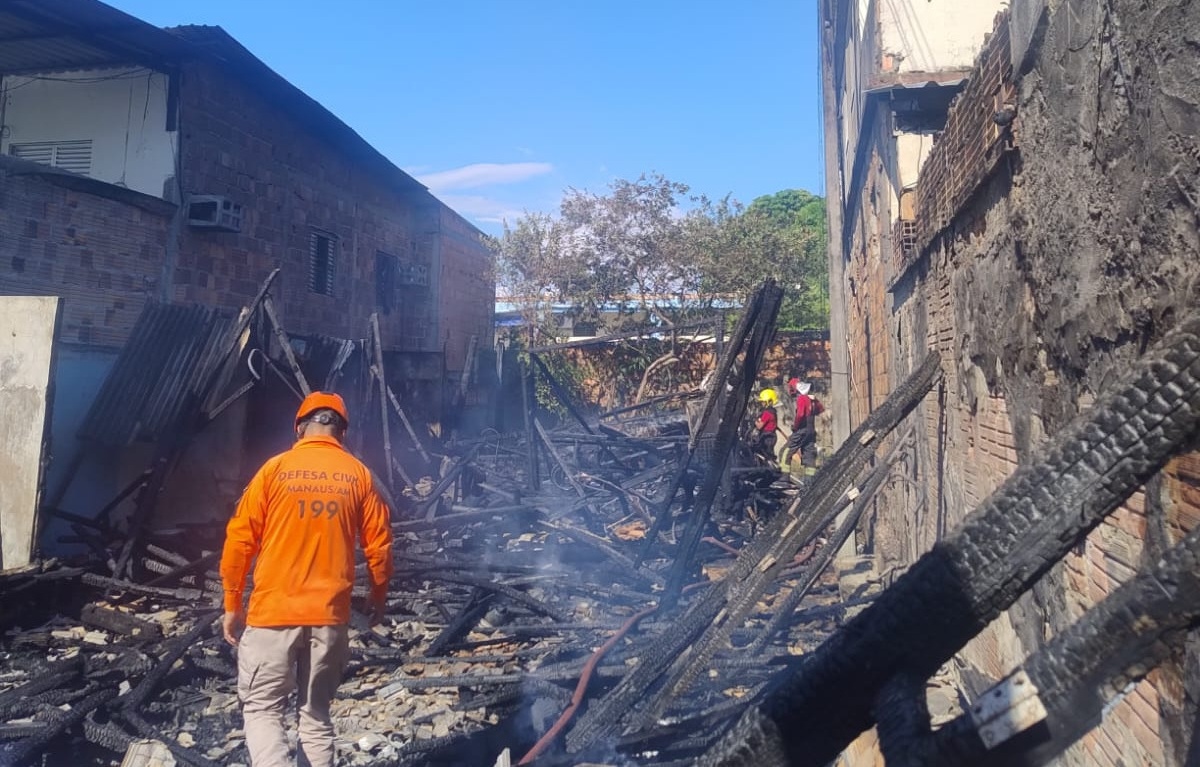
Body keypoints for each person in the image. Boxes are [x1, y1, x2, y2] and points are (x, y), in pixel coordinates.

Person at [220, 391, 394, 767]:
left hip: (272, 615)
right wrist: (377, 597)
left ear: (299, 427)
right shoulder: (359, 476)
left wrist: (232, 603)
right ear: (342, 433)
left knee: (263, 709)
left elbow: (239, 541)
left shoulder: (274, 469)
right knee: (315, 718)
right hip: (329, 619)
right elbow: (379, 547)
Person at [782, 377, 823, 474]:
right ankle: (809, 482)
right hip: (811, 431)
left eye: (791, 388)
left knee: (785, 452)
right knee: (809, 455)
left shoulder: (801, 398)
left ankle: (784, 478)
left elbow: (800, 414)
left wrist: (795, 427)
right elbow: (820, 409)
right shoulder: (812, 399)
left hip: (801, 430)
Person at [748, 388, 780, 464]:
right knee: (767, 455)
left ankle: (768, 469)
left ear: (769, 401)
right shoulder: (773, 411)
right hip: (771, 436)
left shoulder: (767, 413)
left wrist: (754, 420)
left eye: (763, 402)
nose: (762, 404)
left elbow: (759, 426)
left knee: (765, 455)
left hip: (766, 437)